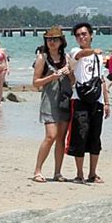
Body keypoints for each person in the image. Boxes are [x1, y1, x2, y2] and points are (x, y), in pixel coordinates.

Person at [66, 22, 110, 184]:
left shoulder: (98, 57)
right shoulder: (75, 51)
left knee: (95, 137)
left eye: (84, 34)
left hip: (96, 100)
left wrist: (106, 102)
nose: (81, 37)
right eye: (78, 35)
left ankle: (93, 173)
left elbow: (102, 80)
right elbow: (80, 56)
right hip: (80, 99)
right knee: (80, 135)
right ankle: (79, 173)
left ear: (91, 35)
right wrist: (93, 51)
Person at [32, 27, 73, 183]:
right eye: (49, 39)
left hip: (64, 100)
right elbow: (35, 83)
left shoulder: (66, 57)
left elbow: (73, 81)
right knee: (50, 136)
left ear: (61, 41)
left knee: (61, 138)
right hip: (49, 101)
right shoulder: (42, 58)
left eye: (55, 39)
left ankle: (57, 172)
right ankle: (38, 170)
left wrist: (68, 72)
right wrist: (51, 77)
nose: (52, 42)